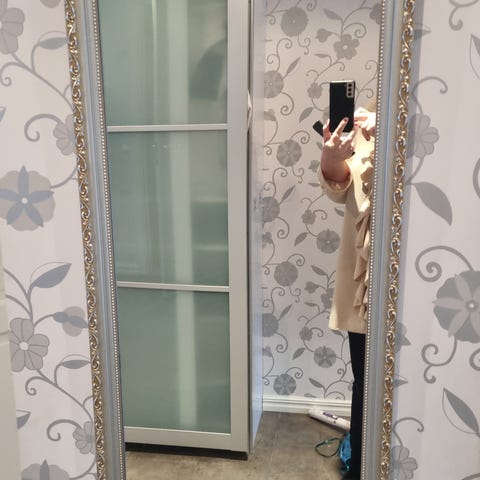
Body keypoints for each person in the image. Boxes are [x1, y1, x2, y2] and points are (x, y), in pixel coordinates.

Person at [318, 104, 376, 480]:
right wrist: (332, 157)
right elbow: (343, 189)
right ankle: (360, 467)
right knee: (365, 379)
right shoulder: (369, 121)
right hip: (364, 275)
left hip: (415, 271)